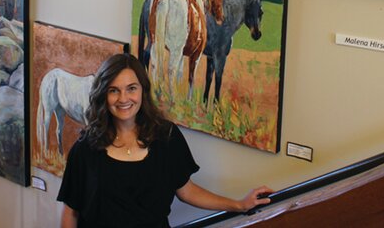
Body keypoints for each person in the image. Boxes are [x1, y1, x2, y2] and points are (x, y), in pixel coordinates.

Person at [58, 53, 272, 228]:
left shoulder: (166, 137)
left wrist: (239, 204)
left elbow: (187, 191)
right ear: (103, 95)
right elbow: (71, 214)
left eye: (131, 88)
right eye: (114, 91)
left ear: (143, 90)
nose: (123, 99)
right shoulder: (85, 149)